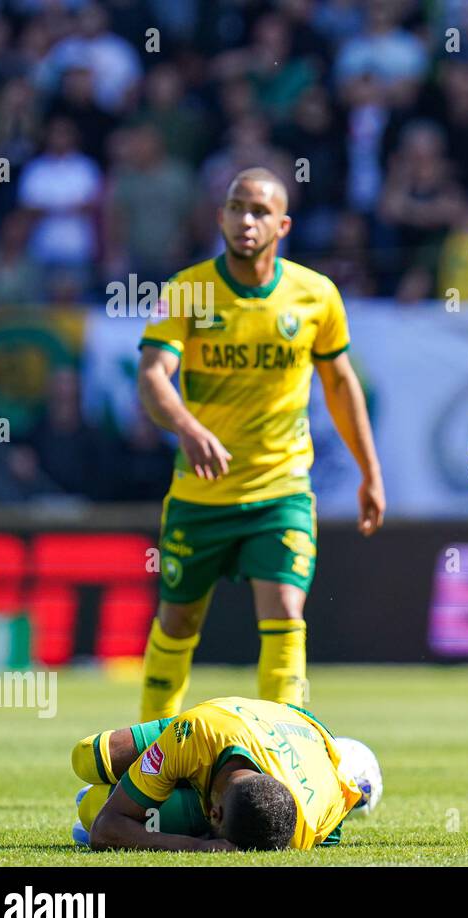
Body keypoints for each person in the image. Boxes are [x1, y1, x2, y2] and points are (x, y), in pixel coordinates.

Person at [135, 167, 385, 722]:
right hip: (200, 496)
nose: (246, 221)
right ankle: (150, 749)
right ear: (220, 216)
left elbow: (342, 386)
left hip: (282, 490)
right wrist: (188, 427)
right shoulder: (188, 290)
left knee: (286, 610)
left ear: (283, 224)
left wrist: (371, 472)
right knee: (178, 622)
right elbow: (153, 375)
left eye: (259, 211)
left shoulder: (315, 295)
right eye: (236, 208)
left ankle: (282, 746)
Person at [70, 696, 367, 851]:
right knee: (86, 757)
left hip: (297, 741)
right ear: (216, 815)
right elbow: (104, 832)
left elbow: (105, 821)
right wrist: (199, 845)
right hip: (233, 720)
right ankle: (165, 778)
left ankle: (157, 782)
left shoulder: (302, 829)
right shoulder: (195, 733)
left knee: (92, 807)